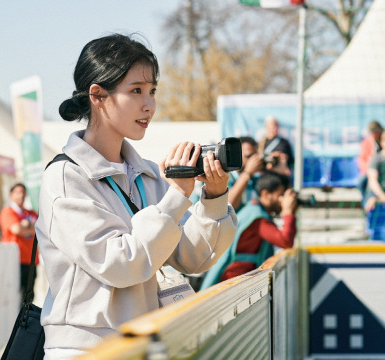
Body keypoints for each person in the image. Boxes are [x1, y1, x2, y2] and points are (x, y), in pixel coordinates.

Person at [35, 33, 237, 359]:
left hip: (143, 344)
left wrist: (213, 195)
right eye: (136, 91)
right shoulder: (66, 176)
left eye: (153, 90)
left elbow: (194, 258)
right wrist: (176, 196)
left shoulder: (148, 174)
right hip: (85, 349)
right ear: (98, 96)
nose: (150, 105)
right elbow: (119, 263)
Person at [201, 170, 297, 288]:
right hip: (234, 281)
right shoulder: (256, 217)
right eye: (281, 195)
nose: (284, 200)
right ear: (265, 194)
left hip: (239, 280)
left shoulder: (253, 209)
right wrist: (288, 212)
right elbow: (285, 241)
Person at [0, 183, 38, 303]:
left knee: (28, 297)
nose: (21, 195)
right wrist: (30, 226)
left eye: (23, 192)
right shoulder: (8, 212)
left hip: (31, 260)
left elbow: (41, 229)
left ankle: (25, 321)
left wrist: (27, 225)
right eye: (17, 192)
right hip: (14, 261)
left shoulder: (31, 213)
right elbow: (16, 230)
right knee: (14, 297)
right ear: (11, 195)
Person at [228, 136, 264, 212]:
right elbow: (228, 205)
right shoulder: (226, 176)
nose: (253, 161)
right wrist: (247, 173)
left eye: (255, 156)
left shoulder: (255, 178)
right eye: (249, 156)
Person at [358, 120, 383, 203]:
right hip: (370, 170)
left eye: (377, 132)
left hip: (381, 172)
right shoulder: (366, 143)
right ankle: (366, 204)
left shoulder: (382, 141)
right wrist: (368, 170)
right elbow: (362, 160)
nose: (375, 134)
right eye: (373, 132)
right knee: (363, 181)